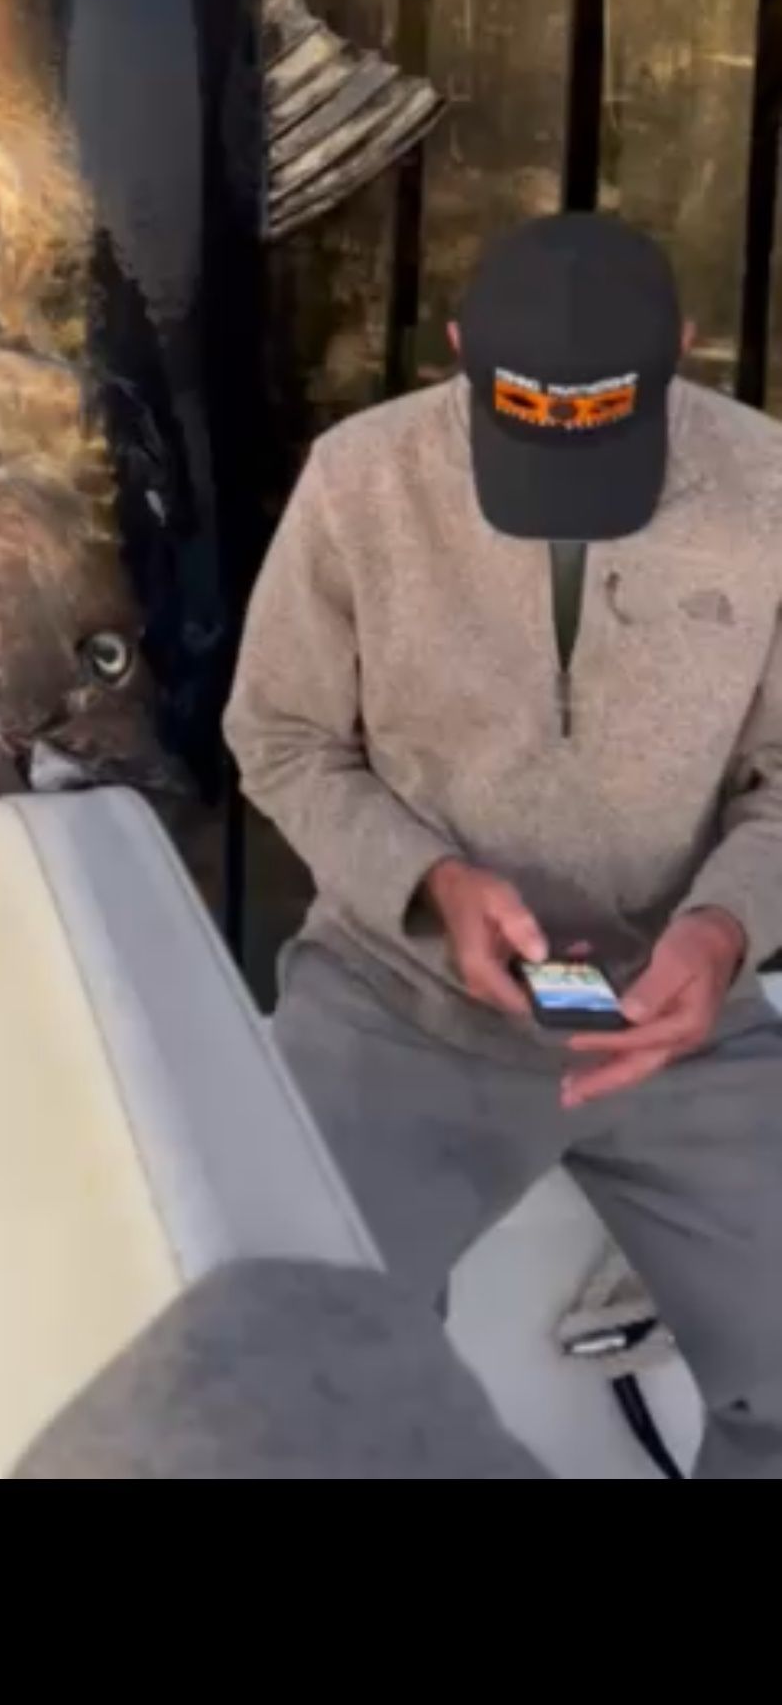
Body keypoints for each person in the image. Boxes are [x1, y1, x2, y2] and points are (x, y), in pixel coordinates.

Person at [225, 212, 782, 1480]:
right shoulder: (356, 479)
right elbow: (281, 737)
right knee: (306, 1385)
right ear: (461, 351)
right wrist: (429, 883)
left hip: (687, 1023)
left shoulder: (772, 486)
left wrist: (724, 930)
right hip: (394, 1007)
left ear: (684, 353)